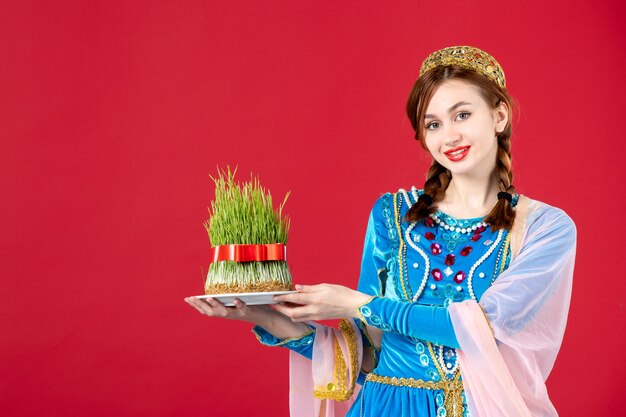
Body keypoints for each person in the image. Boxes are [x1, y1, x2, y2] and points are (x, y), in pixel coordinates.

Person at [185, 45, 577, 417]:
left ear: (499, 116)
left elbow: (481, 327)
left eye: (463, 115)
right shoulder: (393, 215)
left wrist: (357, 304)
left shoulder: (544, 228)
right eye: (433, 124)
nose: (449, 136)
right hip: (382, 406)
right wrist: (268, 317)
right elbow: (368, 354)